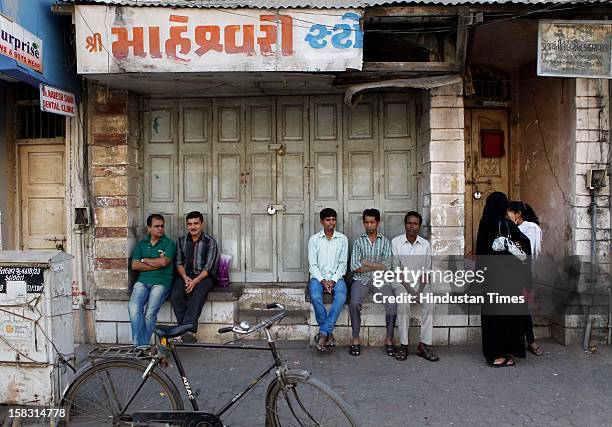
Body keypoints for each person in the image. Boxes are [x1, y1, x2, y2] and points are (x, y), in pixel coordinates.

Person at [476, 192, 532, 367]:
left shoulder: (484, 223)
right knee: (506, 317)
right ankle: (498, 354)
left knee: (491, 318)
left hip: (489, 279)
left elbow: (480, 252)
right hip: (508, 281)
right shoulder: (506, 224)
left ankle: (492, 352)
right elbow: (525, 244)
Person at [390, 211, 439, 362]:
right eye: (409, 223)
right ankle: (404, 345)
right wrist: (411, 291)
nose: (412, 226)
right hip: (401, 283)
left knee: (430, 303)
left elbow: (426, 270)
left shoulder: (425, 245)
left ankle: (423, 345)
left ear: (419, 226)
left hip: (421, 283)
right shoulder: (396, 242)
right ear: (405, 225)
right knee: (404, 304)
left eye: (415, 224)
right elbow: (396, 270)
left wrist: (419, 290)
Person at [348, 208, 395, 357]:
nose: (369, 225)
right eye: (366, 222)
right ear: (363, 223)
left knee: (392, 304)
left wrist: (366, 262)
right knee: (354, 303)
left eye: (372, 222)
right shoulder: (358, 242)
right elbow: (355, 266)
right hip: (361, 281)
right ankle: (356, 339)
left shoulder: (385, 242)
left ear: (378, 223)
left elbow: (387, 266)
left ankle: (389, 339)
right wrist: (377, 266)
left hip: (380, 280)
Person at [128, 214, 176, 348]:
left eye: (162, 226)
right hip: (142, 281)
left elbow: (165, 262)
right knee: (133, 308)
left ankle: (140, 347)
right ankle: (142, 346)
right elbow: (135, 265)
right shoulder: (141, 245)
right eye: (157, 226)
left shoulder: (169, 243)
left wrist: (145, 260)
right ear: (149, 228)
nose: (160, 229)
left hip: (161, 282)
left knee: (150, 312)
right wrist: (157, 262)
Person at [171, 211, 219, 343]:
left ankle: (186, 330)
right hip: (185, 275)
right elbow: (178, 263)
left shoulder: (210, 242)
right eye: (190, 224)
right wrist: (186, 278)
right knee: (175, 294)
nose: (193, 227)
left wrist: (195, 281)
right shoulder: (181, 241)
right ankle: (186, 331)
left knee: (198, 295)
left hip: (205, 277)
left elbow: (209, 267)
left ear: (202, 224)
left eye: (196, 223)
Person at [308, 208, 349, 352]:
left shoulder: (342, 239)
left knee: (341, 296)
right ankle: (327, 333)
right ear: (321, 222)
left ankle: (323, 333)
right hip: (317, 278)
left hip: (337, 278)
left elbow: (343, 264)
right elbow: (312, 265)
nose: (331, 223)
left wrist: (334, 279)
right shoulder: (314, 240)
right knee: (315, 296)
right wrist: (322, 280)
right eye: (327, 220)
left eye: (333, 219)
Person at [507, 201, 544, 357]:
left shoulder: (531, 228)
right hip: (509, 274)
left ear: (517, 214)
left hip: (523, 274)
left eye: (508, 213)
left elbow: (527, 252)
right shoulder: (509, 227)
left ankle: (531, 341)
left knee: (523, 309)